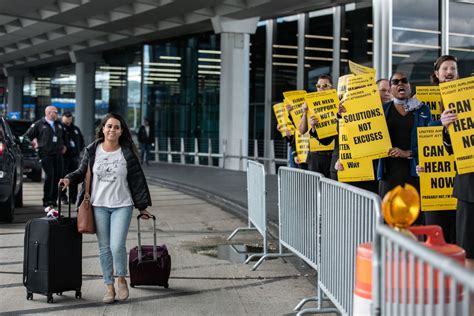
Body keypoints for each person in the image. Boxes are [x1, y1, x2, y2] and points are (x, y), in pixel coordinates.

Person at [59, 113, 153, 304]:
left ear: (121, 131)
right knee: (104, 248)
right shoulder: (93, 150)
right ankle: (109, 287)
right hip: (98, 205)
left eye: (116, 127)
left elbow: (137, 180)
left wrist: (142, 207)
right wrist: (69, 179)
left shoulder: (126, 152)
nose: (112, 130)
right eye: (108, 126)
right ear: (102, 129)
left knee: (116, 245)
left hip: (122, 205)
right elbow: (81, 171)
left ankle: (121, 279)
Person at [377, 72, 431, 224]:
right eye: (395, 82)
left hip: (414, 172)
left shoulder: (422, 110)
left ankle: (412, 248)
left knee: (414, 219)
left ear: (409, 86)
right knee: (389, 218)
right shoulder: (383, 110)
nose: (400, 83)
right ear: (391, 89)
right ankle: (390, 249)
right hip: (389, 173)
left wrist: (409, 153)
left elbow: (431, 141)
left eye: (404, 80)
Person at [418, 55, 459, 244]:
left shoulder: (466, 97)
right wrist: (417, 163)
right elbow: (419, 132)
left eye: (453, 69)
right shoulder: (423, 101)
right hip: (434, 173)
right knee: (436, 236)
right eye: (445, 69)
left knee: (460, 235)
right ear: (436, 73)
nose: (449, 72)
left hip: (460, 175)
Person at [441, 106, 474, 270]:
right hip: (469, 190)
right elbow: (450, 149)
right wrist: (447, 129)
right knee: (469, 251)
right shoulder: (459, 105)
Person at [24, 106, 66, 207]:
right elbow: (27, 136)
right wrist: (33, 144)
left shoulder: (59, 124)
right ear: (48, 113)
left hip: (58, 155)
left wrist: (65, 146)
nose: (57, 114)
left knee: (58, 177)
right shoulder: (39, 124)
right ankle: (47, 199)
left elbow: (65, 137)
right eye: (55, 112)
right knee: (49, 176)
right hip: (46, 154)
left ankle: (54, 199)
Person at [298, 74, 334, 177]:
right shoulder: (310, 103)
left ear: (331, 87)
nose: (321, 89)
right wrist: (305, 112)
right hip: (315, 156)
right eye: (318, 86)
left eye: (325, 86)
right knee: (315, 190)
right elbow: (301, 130)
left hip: (332, 155)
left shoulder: (337, 103)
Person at [60, 111, 85, 205]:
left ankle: (73, 198)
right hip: (63, 158)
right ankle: (63, 197)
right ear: (62, 118)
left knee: (74, 178)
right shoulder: (60, 128)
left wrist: (79, 150)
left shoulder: (76, 129)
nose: (68, 119)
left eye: (69, 118)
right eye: (66, 118)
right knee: (63, 178)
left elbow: (81, 141)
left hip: (74, 158)